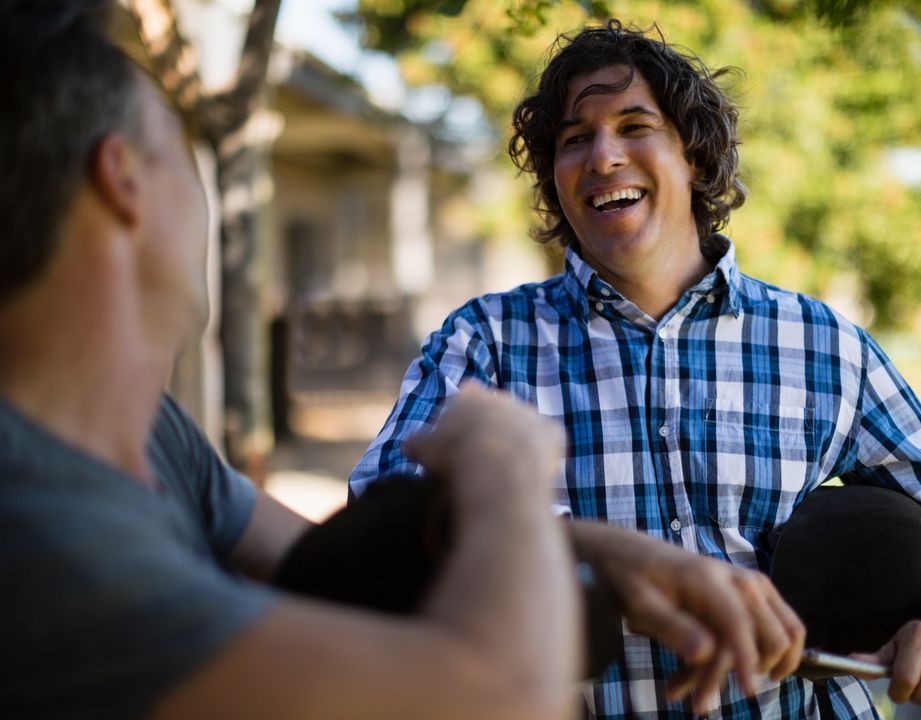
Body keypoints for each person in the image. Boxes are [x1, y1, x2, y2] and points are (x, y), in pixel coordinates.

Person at [0, 4, 802, 717]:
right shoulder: (41, 539)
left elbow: (342, 568)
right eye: (180, 144)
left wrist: (612, 551)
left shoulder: (155, 439)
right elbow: (492, 698)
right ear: (124, 181)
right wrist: (506, 467)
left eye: (636, 128)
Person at [351, 19, 921, 720]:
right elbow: (379, 520)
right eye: (574, 139)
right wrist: (575, 549)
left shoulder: (822, 344)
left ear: (695, 158)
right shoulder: (485, 343)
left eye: (634, 125)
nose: (603, 155)